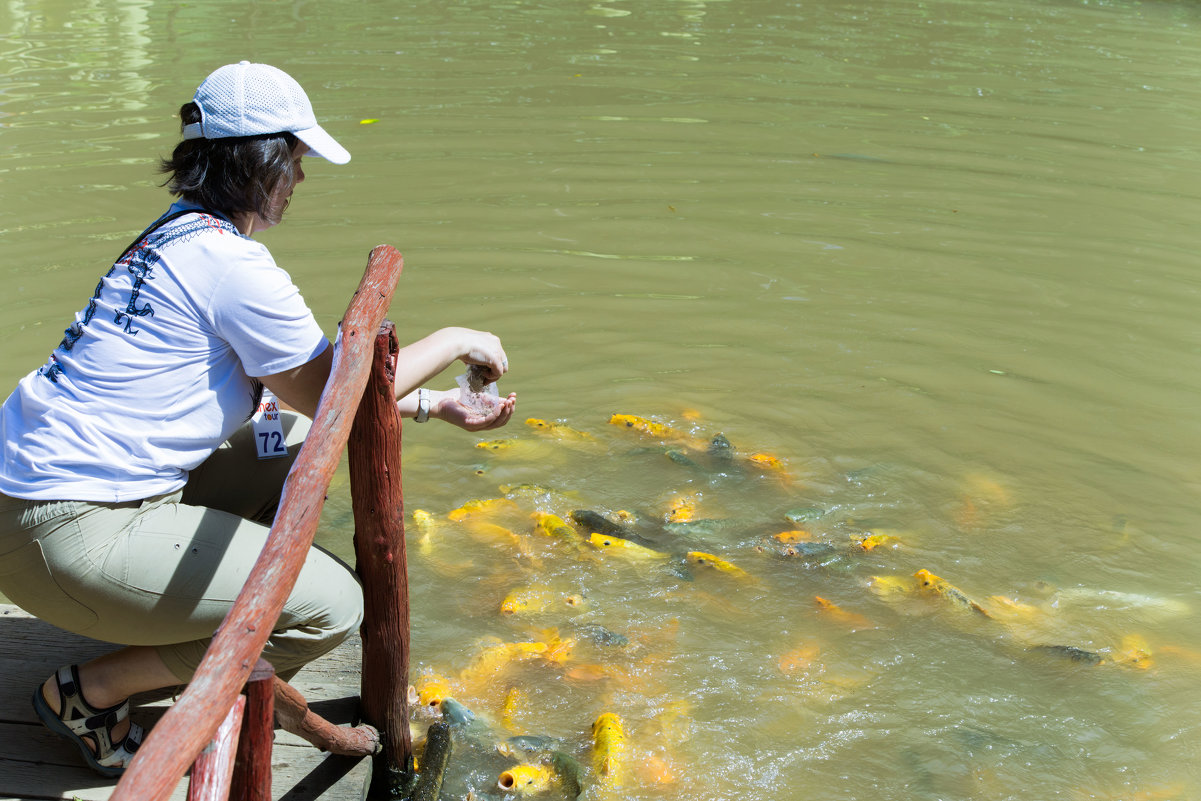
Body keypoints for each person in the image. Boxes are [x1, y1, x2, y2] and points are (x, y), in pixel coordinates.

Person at [0, 61, 516, 777]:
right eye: (296, 159)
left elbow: (303, 397)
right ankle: (90, 692)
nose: (301, 179)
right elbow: (339, 384)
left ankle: (151, 622)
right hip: (67, 536)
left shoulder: (175, 233)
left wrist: (433, 404)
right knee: (331, 607)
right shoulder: (233, 266)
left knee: (291, 439)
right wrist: (459, 338)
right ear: (262, 162)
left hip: (30, 507)